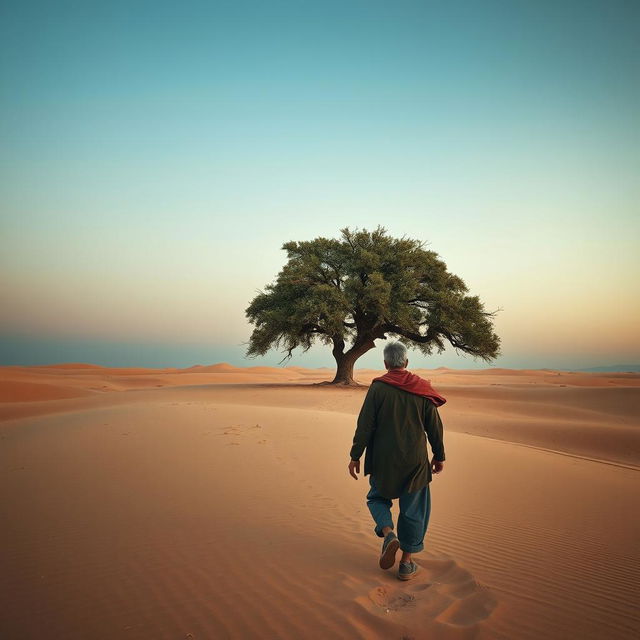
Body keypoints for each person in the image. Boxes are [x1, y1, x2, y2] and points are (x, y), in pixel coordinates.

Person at [348, 341, 446, 581]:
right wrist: (439, 455)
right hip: (415, 461)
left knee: (377, 498)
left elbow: (365, 425)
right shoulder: (422, 388)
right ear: (406, 362)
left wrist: (355, 455)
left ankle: (388, 532)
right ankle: (406, 563)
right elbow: (435, 427)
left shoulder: (378, 388)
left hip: (383, 459)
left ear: (385, 363)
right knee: (413, 509)